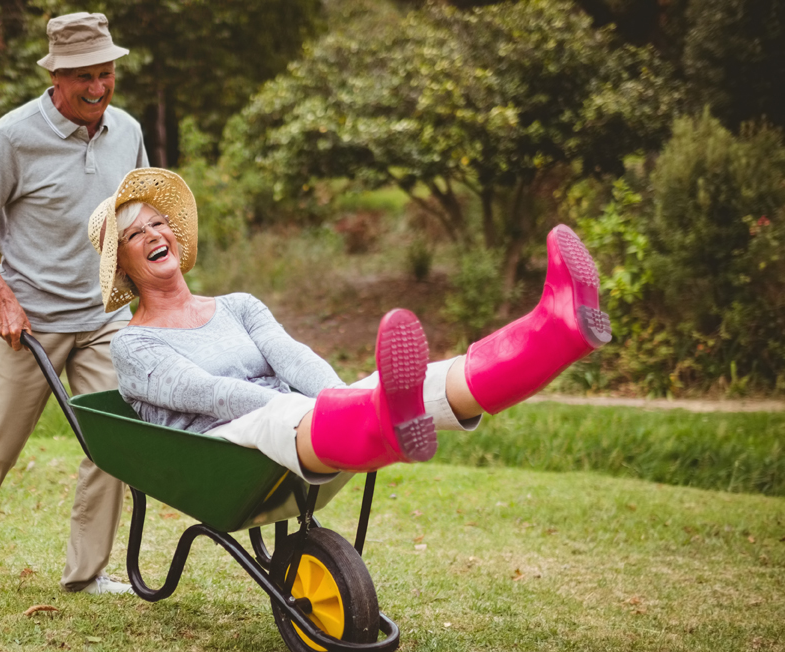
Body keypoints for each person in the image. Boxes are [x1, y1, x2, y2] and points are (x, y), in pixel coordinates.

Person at [86, 168, 612, 479]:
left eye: (160, 223)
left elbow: (293, 356)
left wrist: (341, 396)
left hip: (305, 424)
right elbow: (212, 395)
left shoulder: (238, 304)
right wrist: (324, 409)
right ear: (124, 265)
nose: (156, 234)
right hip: (224, 449)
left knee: (426, 378)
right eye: (136, 234)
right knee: (297, 413)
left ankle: (555, 331)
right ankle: (368, 418)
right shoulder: (134, 344)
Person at [0, 13, 148, 593]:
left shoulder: (126, 130)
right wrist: (2, 298)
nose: (97, 88)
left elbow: (140, 217)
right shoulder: (14, 136)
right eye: (84, 78)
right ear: (56, 77)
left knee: (111, 444)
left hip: (103, 317)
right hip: (30, 321)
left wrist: (149, 295)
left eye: (106, 74)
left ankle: (86, 572)